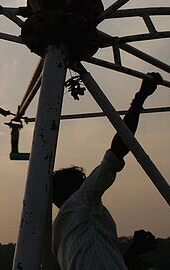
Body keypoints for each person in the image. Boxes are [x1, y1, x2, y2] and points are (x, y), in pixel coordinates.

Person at [50, 73, 161, 270]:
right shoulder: (83, 200)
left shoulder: (60, 233)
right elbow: (119, 147)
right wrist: (140, 97)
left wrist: (134, 250)